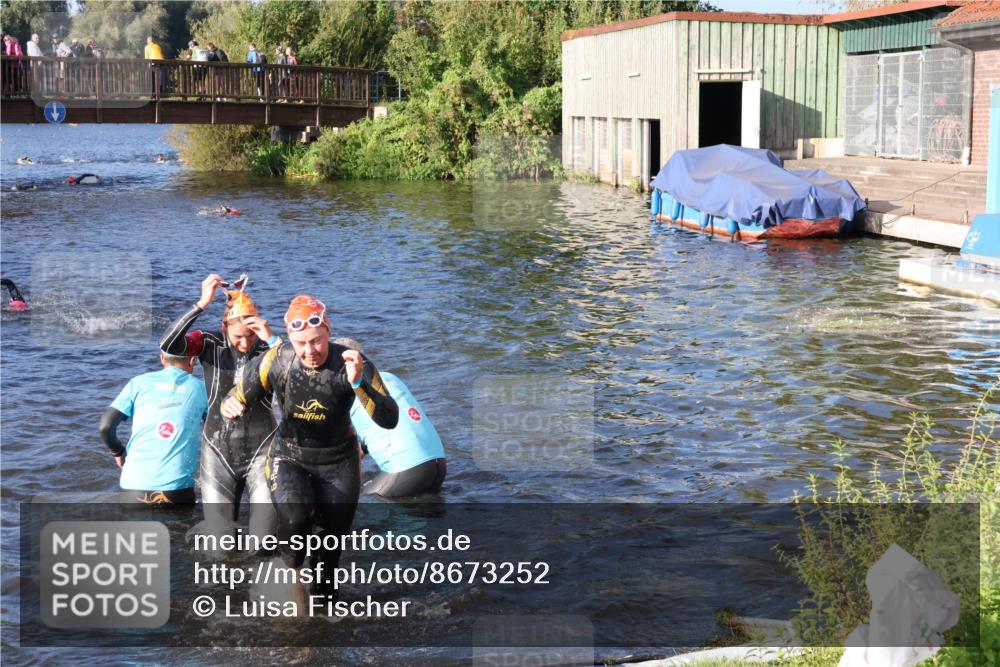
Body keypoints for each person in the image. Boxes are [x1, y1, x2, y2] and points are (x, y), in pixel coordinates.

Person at [221, 295, 398, 597]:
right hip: (290, 457)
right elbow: (236, 396)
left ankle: (322, 613)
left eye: (316, 341)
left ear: (328, 332)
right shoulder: (276, 360)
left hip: (339, 462)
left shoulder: (353, 362)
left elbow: (389, 419)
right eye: (301, 343)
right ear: (290, 336)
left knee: (329, 563)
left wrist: (357, 383)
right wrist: (231, 404)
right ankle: (292, 591)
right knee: (296, 519)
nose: (310, 351)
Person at [160, 275, 280, 543]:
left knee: (263, 541)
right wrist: (201, 304)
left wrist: (273, 340)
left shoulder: (269, 348)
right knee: (218, 543)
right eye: (239, 336)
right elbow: (168, 345)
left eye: (251, 335)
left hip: (263, 451)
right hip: (217, 452)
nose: (246, 343)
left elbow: (295, 371)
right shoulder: (209, 343)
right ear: (224, 327)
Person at [335, 338, 447, 497]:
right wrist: (363, 448)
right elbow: (389, 423)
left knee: (358, 503)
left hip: (407, 471)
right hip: (439, 465)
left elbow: (344, 453)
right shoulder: (390, 377)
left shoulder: (344, 392)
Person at [99, 349, 208, 507]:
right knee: (180, 532)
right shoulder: (201, 388)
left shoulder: (137, 383)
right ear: (192, 360)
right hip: (176, 491)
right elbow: (217, 431)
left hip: (132, 488)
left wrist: (118, 451)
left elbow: (105, 426)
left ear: (162, 358)